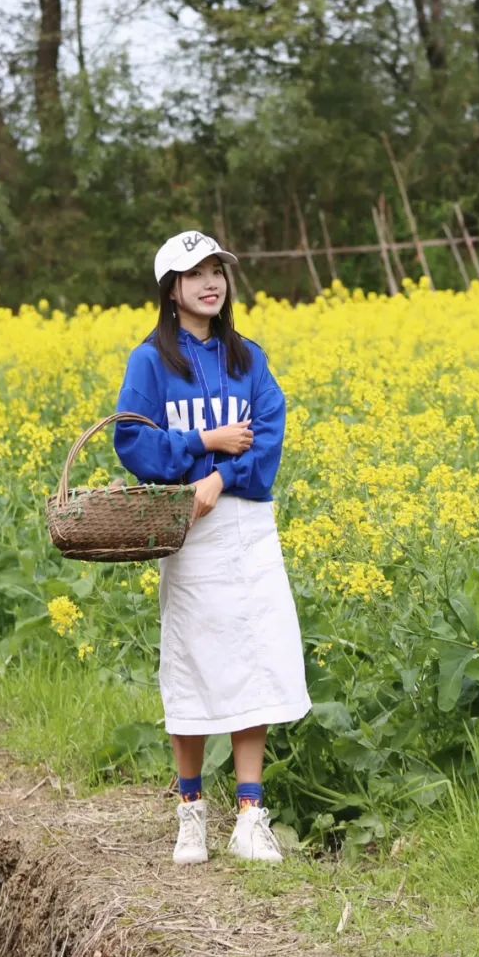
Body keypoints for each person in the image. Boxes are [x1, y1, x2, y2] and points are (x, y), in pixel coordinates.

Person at [114, 229, 311, 866]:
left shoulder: (248, 357)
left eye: (217, 270)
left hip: (245, 526)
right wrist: (205, 444)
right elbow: (133, 445)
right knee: (194, 663)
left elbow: (269, 437)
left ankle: (252, 814)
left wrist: (223, 474)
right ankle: (191, 812)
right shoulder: (149, 363)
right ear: (170, 289)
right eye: (195, 272)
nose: (211, 282)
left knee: (255, 658)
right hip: (190, 533)